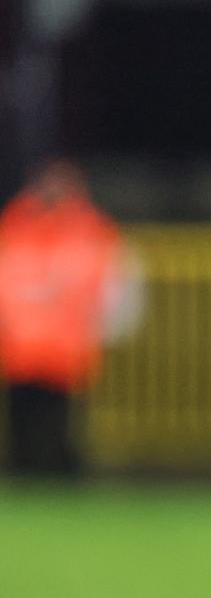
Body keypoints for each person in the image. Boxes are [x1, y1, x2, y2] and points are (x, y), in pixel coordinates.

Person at [0, 160, 126, 477]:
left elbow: (110, 280)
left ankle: (61, 470)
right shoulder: (14, 225)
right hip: (21, 347)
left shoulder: (90, 227)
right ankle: (24, 470)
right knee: (22, 417)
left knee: (62, 420)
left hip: (65, 346)